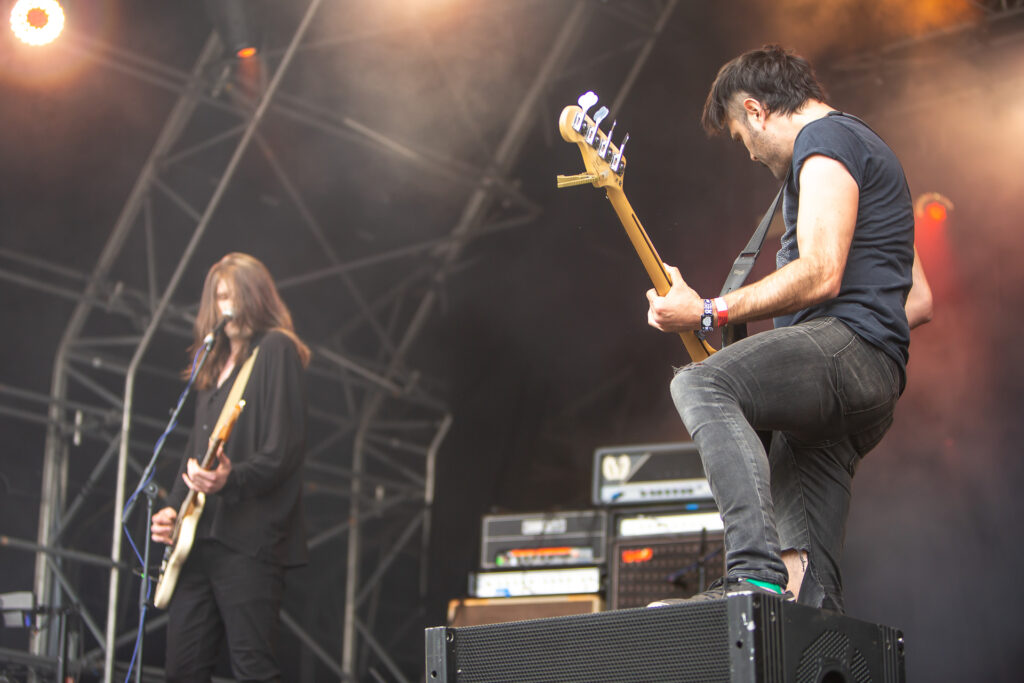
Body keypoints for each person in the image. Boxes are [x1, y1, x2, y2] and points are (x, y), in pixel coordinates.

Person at [646, 45, 932, 613]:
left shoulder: (824, 141)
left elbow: (822, 271)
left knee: (702, 384)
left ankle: (751, 574)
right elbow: (919, 300)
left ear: (755, 110)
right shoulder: (865, 151)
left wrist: (708, 311)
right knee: (807, 595)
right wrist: (859, 347)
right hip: (859, 382)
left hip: (848, 355)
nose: (748, 153)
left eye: (738, 134)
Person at [151, 252, 311, 681]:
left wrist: (231, 477)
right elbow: (193, 452)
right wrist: (174, 508)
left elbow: (284, 449)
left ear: (258, 299)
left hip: (248, 544)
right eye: (221, 297)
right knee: (182, 670)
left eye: (238, 296)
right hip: (198, 540)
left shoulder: (276, 349)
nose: (230, 306)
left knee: (252, 669)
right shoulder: (210, 367)